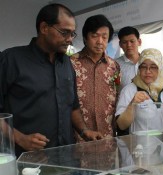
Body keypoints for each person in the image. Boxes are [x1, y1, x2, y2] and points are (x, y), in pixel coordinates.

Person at [0, 4, 102, 158]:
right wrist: (21, 139)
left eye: (72, 34)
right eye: (64, 32)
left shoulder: (66, 63)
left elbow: (72, 106)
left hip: (67, 159)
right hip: (28, 163)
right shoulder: (11, 60)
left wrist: (84, 131)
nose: (69, 39)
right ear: (44, 28)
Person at [116, 48, 163, 148]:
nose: (148, 71)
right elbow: (121, 125)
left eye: (153, 67)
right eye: (143, 67)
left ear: (160, 68)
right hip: (141, 151)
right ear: (139, 68)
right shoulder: (129, 90)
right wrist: (132, 104)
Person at [70, 15, 120, 139]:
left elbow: (117, 97)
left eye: (104, 37)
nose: (100, 41)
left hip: (107, 135)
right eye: (94, 36)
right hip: (78, 137)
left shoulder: (114, 66)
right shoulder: (70, 63)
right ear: (85, 38)